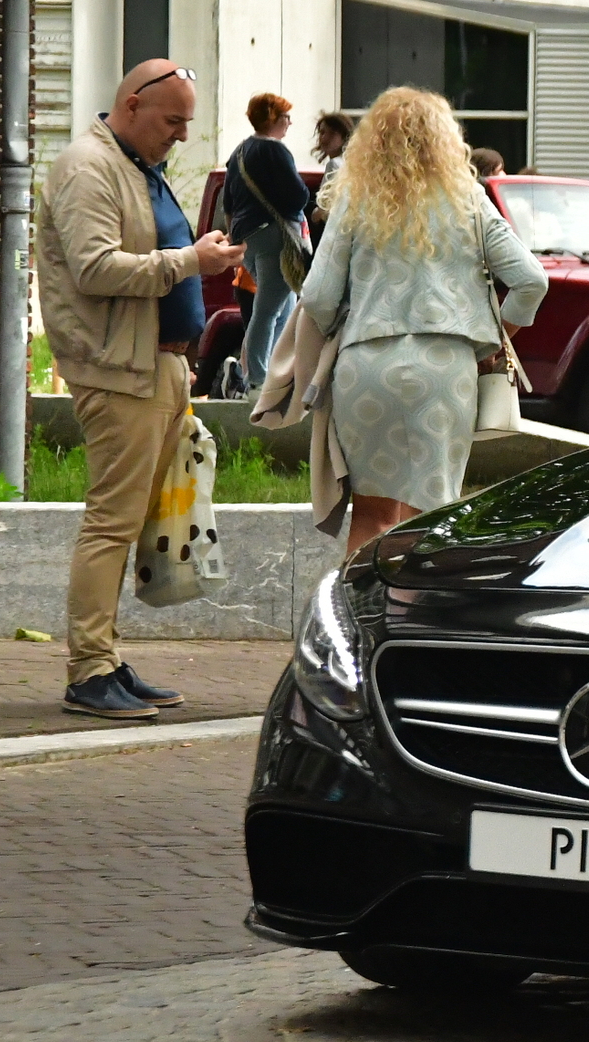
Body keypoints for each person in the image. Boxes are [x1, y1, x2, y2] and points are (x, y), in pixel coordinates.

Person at [35, 60, 244, 720]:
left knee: (124, 522)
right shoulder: (87, 167)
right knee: (111, 520)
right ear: (130, 105)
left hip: (155, 367)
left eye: (188, 121)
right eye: (172, 120)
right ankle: (88, 669)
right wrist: (192, 261)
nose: (181, 135)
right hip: (119, 371)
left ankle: (107, 658)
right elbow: (96, 268)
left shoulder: (133, 166)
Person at [299, 88, 547, 553]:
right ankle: (414, 618)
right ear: (445, 139)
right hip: (444, 368)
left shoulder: (354, 199)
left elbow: (317, 295)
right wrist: (498, 340)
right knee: (432, 515)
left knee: (372, 517)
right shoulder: (468, 199)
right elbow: (531, 281)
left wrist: (347, 323)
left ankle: (360, 620)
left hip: (365, 365)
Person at [222, 92, 310, 400]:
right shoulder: (275, 151)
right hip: (276, 235)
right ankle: (257, 379)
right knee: (270, 309)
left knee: (282, 306)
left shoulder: (239, 152)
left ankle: (271, 373)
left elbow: (228, 202)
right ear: (272, 118)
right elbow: (299, 196)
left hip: (249, 237)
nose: (289, 123)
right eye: (285, 117)